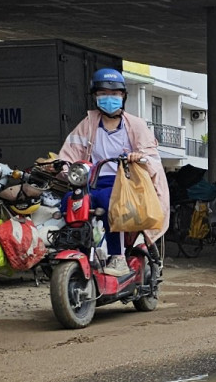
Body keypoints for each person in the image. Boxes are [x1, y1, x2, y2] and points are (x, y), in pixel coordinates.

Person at [59, 68, 169, 275]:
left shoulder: (135, 125)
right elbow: (69, 153)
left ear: (123, 96)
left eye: (114, 94)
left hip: (125, 185)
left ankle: (118, 257)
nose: (108, 98)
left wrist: (139, 158)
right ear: (95, 97)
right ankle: (82, 251)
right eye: (102, 94)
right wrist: (60, 166)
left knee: (114, 206)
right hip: (91, 183)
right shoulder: (88, 124)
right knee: (69, 202)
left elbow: (152, 158)